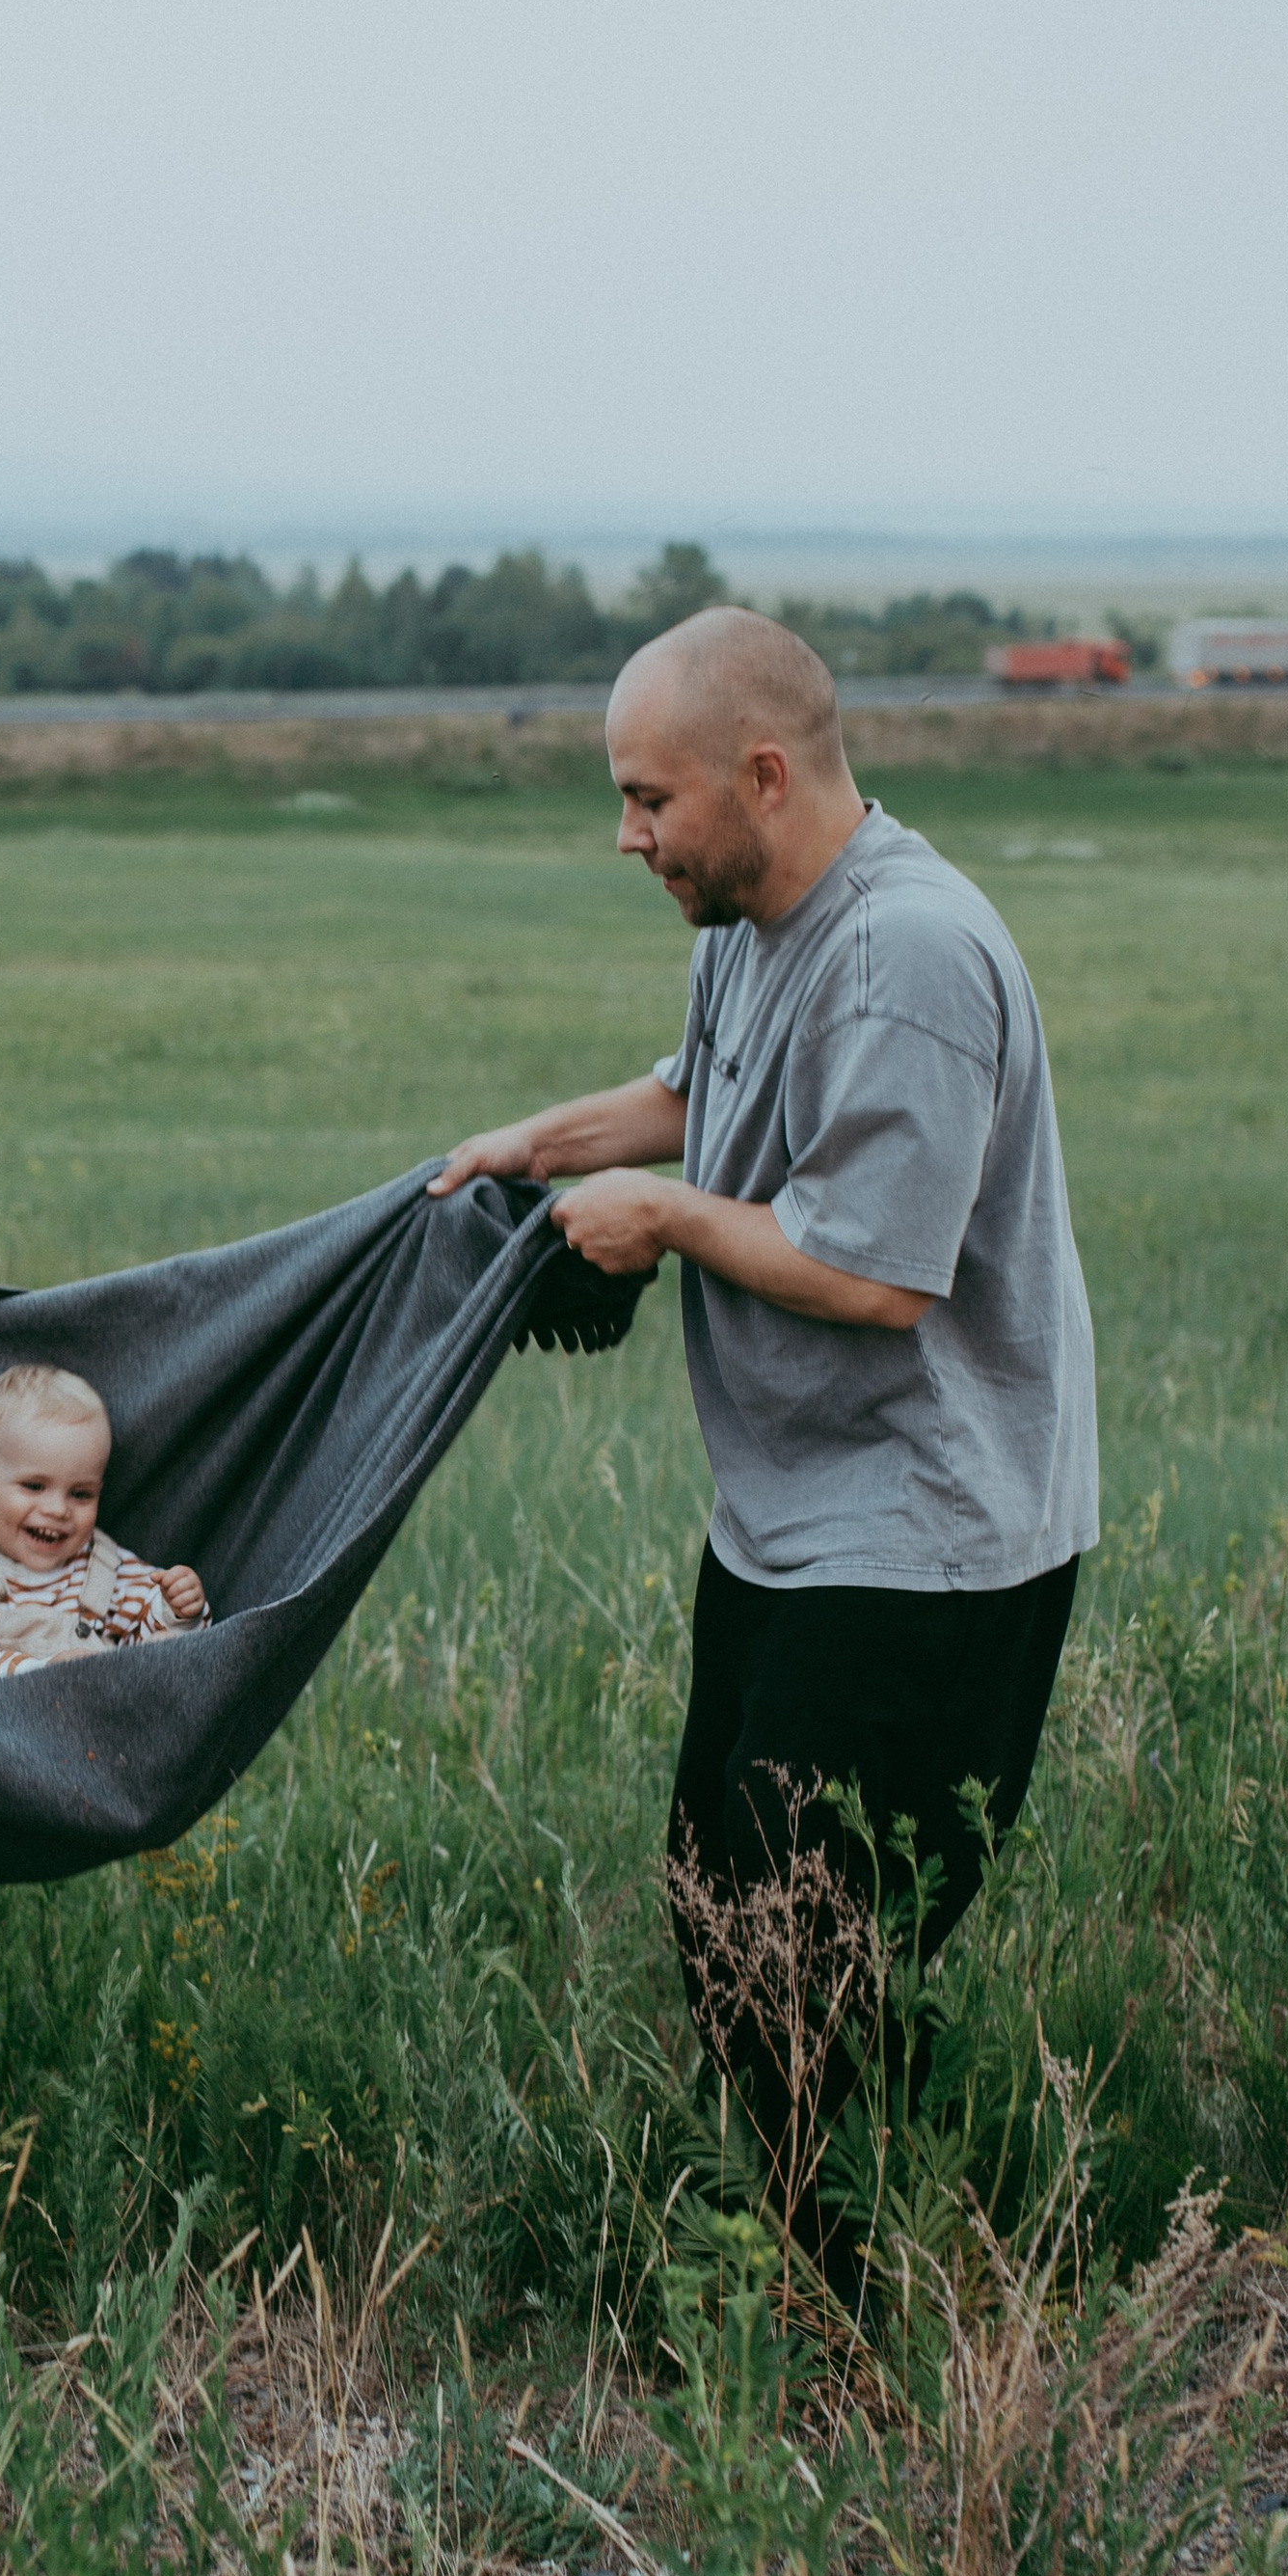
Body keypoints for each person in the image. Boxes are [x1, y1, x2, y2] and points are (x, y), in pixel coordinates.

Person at [431, 610, 1098, 2264]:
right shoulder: (747, 917)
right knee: (724, 1911)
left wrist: (656, 1215)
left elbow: (875, 1276)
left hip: (930, 1538)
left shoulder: (912, 956)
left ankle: (859, 2318)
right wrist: (536, 1143)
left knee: (801, 1944)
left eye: (651, 798)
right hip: (790, 1517)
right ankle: (848, 2276)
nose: (628, 834)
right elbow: (698, 1093)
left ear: (766, 774)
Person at [0, 1362, 209, 1682]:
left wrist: (177, 1611)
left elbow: (155, 1643)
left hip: (102, 1721)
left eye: (81, 1494)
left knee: (168, 1649)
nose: (58, 1510)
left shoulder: (106, 1568)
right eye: (34, 1486)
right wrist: (44, 1672)